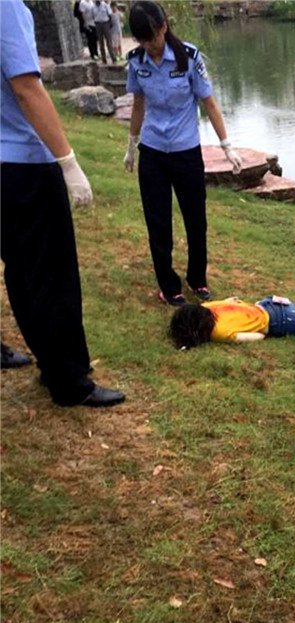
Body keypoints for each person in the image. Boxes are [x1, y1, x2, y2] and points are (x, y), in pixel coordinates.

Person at [0, 0, 125, 408]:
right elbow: (26, 86)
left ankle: (50, 363)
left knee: (22, 272)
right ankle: (69, 380)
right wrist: (68, 162)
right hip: (23, 163)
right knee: (52, 277)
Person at [124, 0, 242, 307]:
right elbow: (138, 104)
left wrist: (226, 145)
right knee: (158, 222)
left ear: (163, 26)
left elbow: (209, 102)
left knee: (195, 219)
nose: (148, 45)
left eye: (151, 37)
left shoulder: (188, 57)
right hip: (152, 152)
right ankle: (168, 284)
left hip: (185, 151)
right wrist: (131, 146)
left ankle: (197, 279)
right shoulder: (136, 60)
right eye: (141, 40)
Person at [93, 0, 117, 64]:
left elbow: (110, 15)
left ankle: (113, 58)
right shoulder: (93, 7)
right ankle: (104, 59)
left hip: (105, 24)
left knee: (109, 42)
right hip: (98, 24)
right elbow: (93, 16)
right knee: (101, 43)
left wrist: (110, 24)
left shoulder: (105, 5)